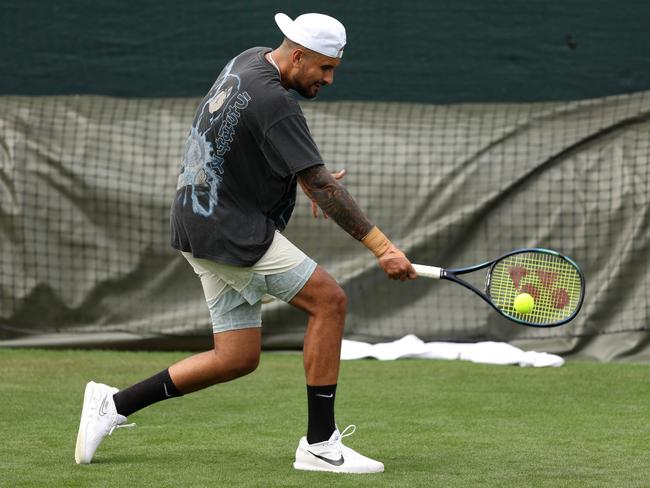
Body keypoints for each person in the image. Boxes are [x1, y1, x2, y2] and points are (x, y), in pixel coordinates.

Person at [75, 12, 417, 474]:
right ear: (297, 56)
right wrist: (383, 248)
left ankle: (112, 405)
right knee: (329, 302)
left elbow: (237, 142)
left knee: (236, 357)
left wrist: (303, 178)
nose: (330, 79)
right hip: (231, 231)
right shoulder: (277, 103)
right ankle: (319, 445)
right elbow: (322, 184)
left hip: (196, 224)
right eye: (324, 69)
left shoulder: (249, 60)